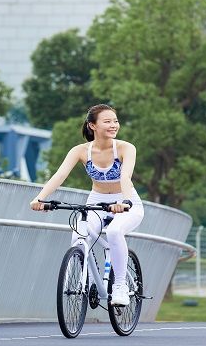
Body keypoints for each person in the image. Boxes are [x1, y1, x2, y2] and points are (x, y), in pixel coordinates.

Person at [30, 104, 145, 306]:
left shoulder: (126, 148)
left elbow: (125, 177)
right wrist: (40, 198)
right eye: (107, 121)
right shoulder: (81, 151)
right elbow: (60, 175)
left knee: (114, 232)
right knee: (79, 234)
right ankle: (89, 278)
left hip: (126, 202)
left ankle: (120, 286)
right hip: (96, 202)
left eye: (115, 121)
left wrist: (124, 202)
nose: (114, 125)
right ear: (92, 125)